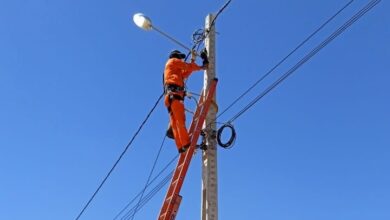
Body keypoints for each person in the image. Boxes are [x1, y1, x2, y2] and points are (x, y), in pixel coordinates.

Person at [164, 49, 209, 153]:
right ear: (176, 56)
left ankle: (181, 147)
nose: (180, 59)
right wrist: (202, 67)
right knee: (180, 120)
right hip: (174, 96)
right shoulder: (173, 61)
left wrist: (193, 60)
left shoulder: (174, 71)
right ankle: (185, 144)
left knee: (175, 123)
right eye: (180, 58)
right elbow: (186, 66)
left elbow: (187, 72)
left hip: (171, 98)